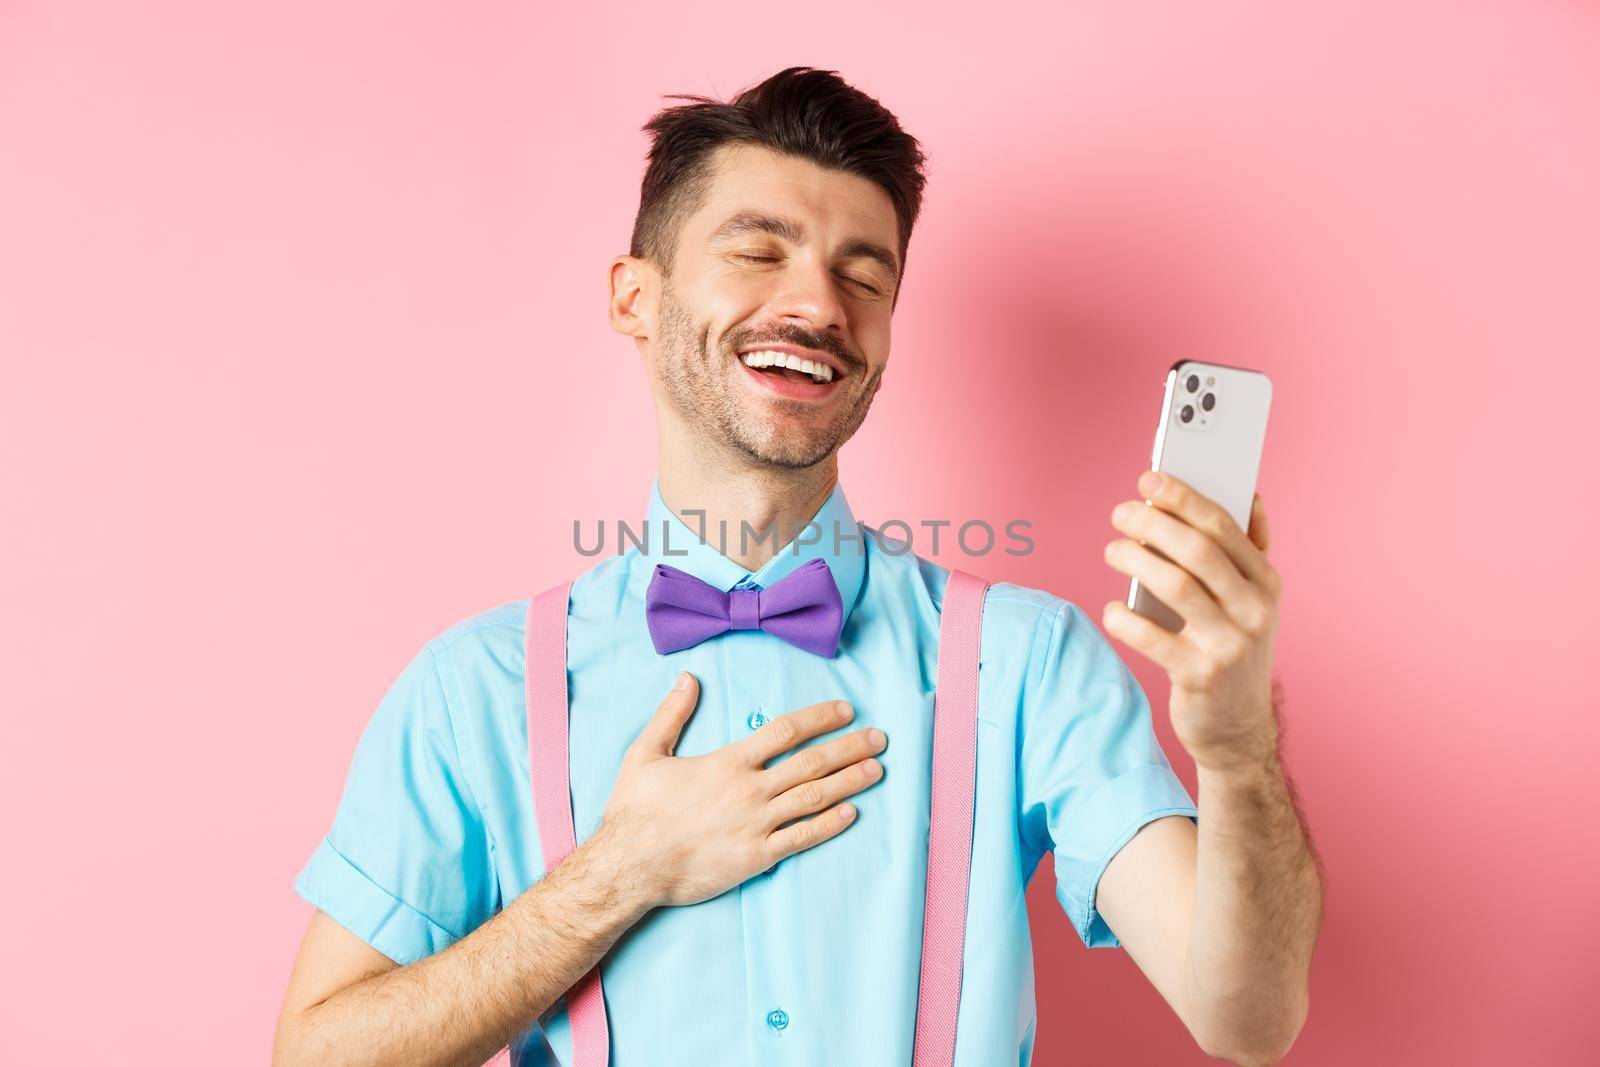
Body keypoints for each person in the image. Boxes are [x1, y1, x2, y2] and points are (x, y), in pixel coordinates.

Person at [272, 66, 1322, 1067]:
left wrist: (1234, 748)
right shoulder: (475, 690)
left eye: (863, 274)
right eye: (758, 250)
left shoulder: (1025, 660)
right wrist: (612, 875)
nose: (818, 305)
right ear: (635, 298)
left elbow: (1246, 1017)